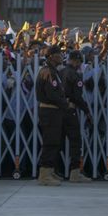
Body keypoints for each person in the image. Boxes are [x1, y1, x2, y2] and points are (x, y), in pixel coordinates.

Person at [35, 45, 68, 186]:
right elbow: (52, 94)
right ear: (51, 56)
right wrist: (64, 103)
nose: (61, 56)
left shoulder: (53, 71)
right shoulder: (48, 72)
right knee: (50, 142)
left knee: (55, 141)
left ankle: (50, 170)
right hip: (50, 111)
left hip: (54, 111)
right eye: (58, 53)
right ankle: (44, 174)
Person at [59, 50, 92, 183]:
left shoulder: (60, 72)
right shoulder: (75, 75)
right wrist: (86, 110)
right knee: (75, 141)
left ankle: (54, 170)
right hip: (70, 110)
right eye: (79, 62)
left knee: (57, 140)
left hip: (58, 110)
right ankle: (75, 172)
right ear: (76, 61)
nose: (79, 65)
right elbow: (77, 97)